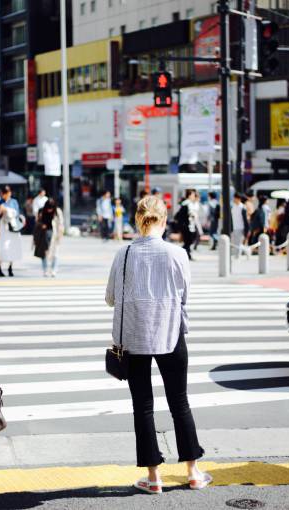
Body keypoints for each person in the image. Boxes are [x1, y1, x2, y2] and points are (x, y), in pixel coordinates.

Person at [105, 196, 211, 494]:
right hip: (170, 334)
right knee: (180, 402)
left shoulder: (123, 254)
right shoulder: (177, 254)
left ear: (138, 220)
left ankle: (153, 477)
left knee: (143, 406)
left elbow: (111, 298)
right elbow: (185, 297)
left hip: (134, 338)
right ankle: (192, 472)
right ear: (164, 221)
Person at [0, 186, 24, 277]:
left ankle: (10, 267)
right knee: (4, 247)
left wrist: (7, 210)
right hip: (4, 227)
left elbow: (17, 213)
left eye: (8, 193)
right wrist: (2, 210)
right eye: (5, 193)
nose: (7, 195)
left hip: (13, 227)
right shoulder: (0, 202)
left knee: (13, 246)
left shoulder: (14, 202)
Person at [33, 198, 64, 277]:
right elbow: (37, 223)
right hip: (43, 235)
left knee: (55, 254)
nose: (49, 210)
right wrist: (41, 225)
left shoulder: (57, 212)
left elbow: (61, 224)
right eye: (48, 208)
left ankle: (54, 270)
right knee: (43, 253)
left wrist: (60, 236)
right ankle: (45, 269)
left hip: (55, 235)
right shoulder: (41, 211)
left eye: (51, 208)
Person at [175, 189, 197, 260]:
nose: (194, 196)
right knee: (188, 241)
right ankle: (183, 254)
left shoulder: (186, 203)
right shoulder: (187, 203)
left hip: (187, 225)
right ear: (190, 195)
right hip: (187, 225)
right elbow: (186, 215)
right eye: (193, 194)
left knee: (188, 241)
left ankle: (187, 254)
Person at [231, 192, 249, 258]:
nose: (234, 199)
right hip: (234, 228)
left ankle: (237, 257)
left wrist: (246, 230)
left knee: (238, 243)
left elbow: (245, 220)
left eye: (235, 198)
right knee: (235, 243)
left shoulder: (242, 207)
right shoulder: (232, 207)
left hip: (241, 227)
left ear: (239, 199)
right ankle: (247, 250)